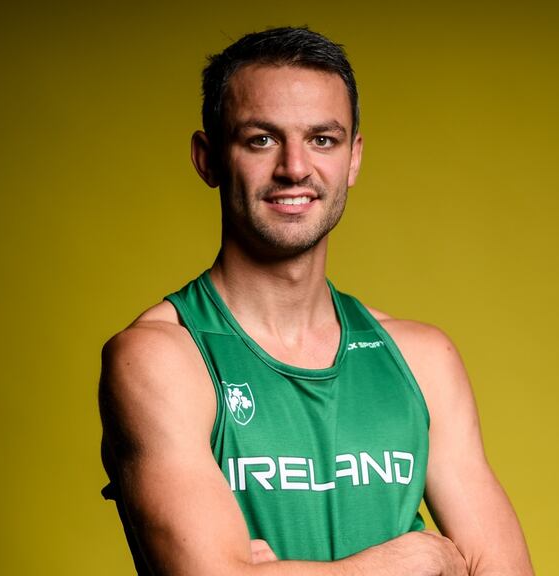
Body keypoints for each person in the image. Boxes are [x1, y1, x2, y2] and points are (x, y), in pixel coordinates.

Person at [99, 26, 534, 575]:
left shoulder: (422, 359)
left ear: (353, 158)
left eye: (322, 140)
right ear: (207, 158)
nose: (295, 168)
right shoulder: (161, 359)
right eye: (261, 139)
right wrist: (411, 560)